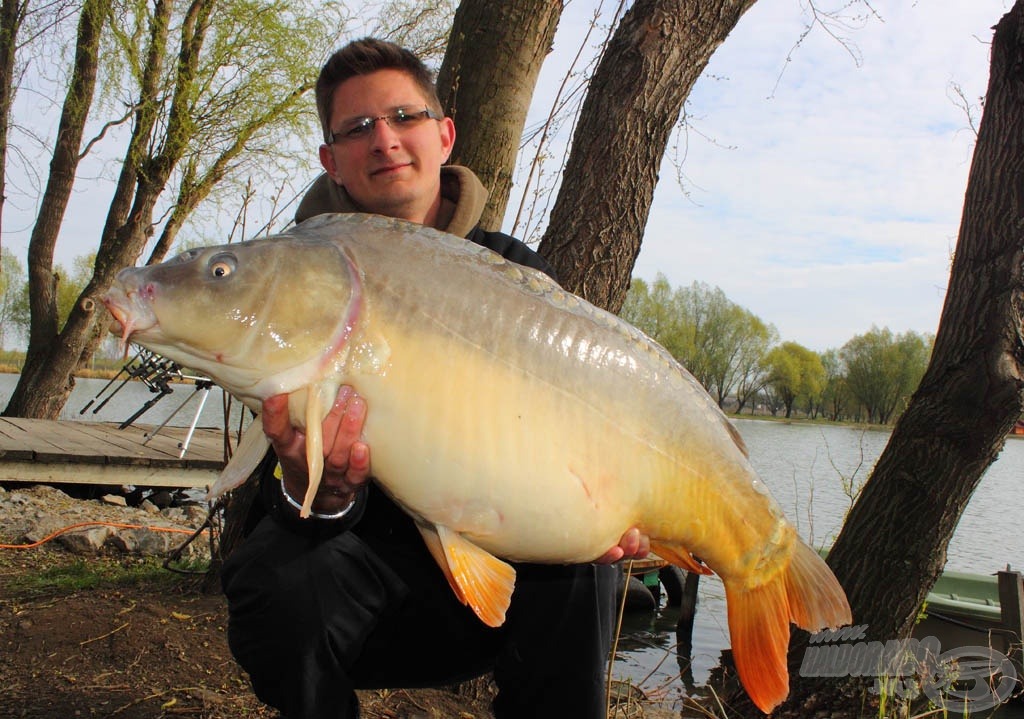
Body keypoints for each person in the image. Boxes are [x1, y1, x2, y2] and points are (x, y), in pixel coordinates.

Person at [221, 38, 650, 719]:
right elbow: (271, 499)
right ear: (331, 160)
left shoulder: (514, 274)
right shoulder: (290, 283)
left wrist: (606, 509)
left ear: (444, 135)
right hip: (364, 590)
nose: (384, 139)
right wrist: (323, 492)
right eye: (357, 128)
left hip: (498, 586)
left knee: (583, 572)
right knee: (276, 582)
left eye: (404, 116)